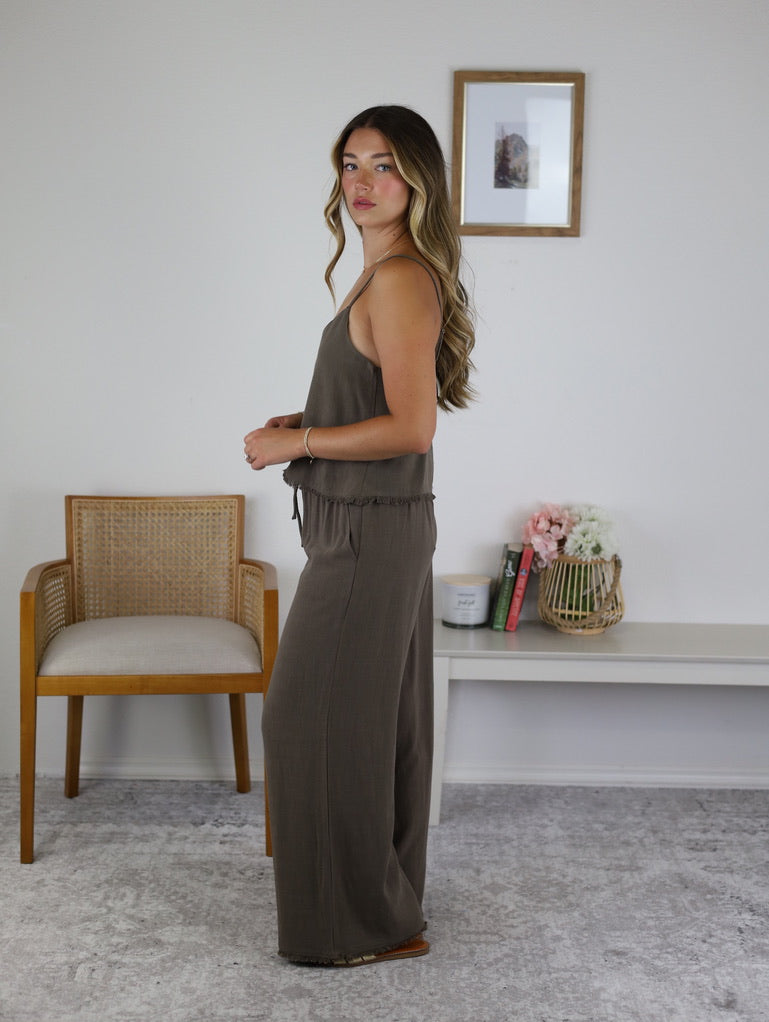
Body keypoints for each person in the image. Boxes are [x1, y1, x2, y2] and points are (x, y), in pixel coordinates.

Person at [243, 104, 475, 967]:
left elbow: (412, 428)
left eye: (383, 165)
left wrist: (298, 443)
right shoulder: (383, 274)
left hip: (371, 530)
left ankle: (352, 927)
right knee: (378, 723)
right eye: (350, 164)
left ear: (416, 179)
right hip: (371, 522)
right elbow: (380, 400)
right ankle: (381, 909)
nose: (363, 183)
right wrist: (311, 417)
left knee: (305, 721)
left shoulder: (400, 278)